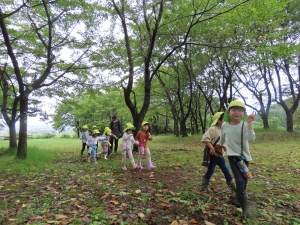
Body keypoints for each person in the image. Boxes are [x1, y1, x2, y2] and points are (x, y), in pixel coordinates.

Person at [220, 100, 256, 218]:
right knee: (240, 180)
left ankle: (237, 199)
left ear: (244, 113)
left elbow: (250, 139)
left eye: (240, 110)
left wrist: (250, 123)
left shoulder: (245, 125)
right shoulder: (225, 125)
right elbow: (222, 136)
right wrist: (222, 145)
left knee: (245, 179)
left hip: (244, 156)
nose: (237, 113)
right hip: (233, 156)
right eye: (234, 110)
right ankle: (246, 207)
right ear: (228, 112)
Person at [201, 112, 237, 195]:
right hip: (213, 155)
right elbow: (205, 139)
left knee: (226, 171)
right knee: (210, 171)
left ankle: (234, 189)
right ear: (219, 121)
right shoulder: (212, 129)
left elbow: (226, 140)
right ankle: (203, 187)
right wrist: (211, 147)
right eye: (224, 119)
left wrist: (224, 145)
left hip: (220, 155)